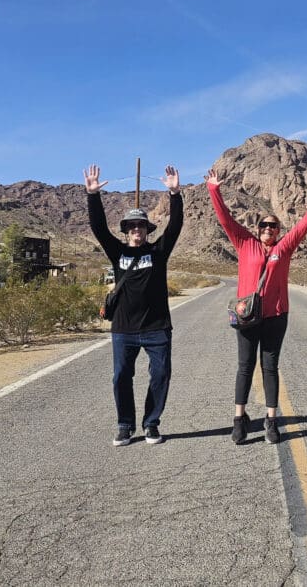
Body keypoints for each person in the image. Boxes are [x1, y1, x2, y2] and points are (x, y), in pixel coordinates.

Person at [206, 168, 307, 444]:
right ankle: (239, 420)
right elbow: (225, 219)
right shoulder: (244, 243)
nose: (268, 229)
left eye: (273, 226)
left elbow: (303, 226)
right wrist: (214, 190)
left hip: (276, 316)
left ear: (278, 231)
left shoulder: (284, 247)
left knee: (270, 367)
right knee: (244, 366)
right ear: (257, 229)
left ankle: (271, 420)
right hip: (247, 315)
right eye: (264, 225)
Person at [85, 164, 183, 447]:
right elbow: (99, 229)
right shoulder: (118, 252)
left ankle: (151, 423)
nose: (136, 229)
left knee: (161, 374)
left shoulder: (158, 251)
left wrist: (175, 194)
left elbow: (175, 226)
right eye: (131, 226)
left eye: (141, 225)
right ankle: (125, 425)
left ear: (147, 229)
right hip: (124, 328)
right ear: (126, 230)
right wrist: (92, 196)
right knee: (120, 377)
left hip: (157, 327)